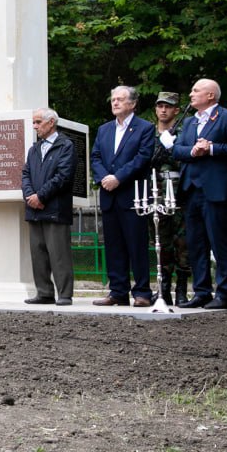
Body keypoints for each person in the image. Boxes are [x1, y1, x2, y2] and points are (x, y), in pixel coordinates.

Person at [173, 78, 227, 310]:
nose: (191, 94)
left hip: (216, 190)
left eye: (196, 90)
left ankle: (224, 294)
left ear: (211, 96)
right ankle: (201, 291)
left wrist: (212, 148)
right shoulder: (188, 122)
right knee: (195, 244)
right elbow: (177, 149)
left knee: (219, 243)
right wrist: (194, 151)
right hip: (191, 190)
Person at [89, 85, 155, 306]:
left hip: (132, 195)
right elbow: (95, 157)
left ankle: (142, 293)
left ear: (133, 103)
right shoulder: (104, 129)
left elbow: (142, 157)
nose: (114, 103)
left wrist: (118, 177)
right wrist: (103, 178)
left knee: (136, 245)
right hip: (109, 196)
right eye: (113, 99)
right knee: (114, 246)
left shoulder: (145, 128)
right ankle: (117, 291)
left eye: (120, 99)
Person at [21, 108, 76, 306]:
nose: (35, 126)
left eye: (38, 122)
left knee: (59, 253)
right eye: (34, 122)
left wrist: (41, 196)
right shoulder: (34, 149)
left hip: (55, 208)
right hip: (34, 209)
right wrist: (30, 196)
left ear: (51, 122)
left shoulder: (66, 146)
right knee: (38, 253)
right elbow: (26, 174)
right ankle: (44, 292)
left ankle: (64, 294)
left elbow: (63, 176)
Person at [150, 92, 190, 304]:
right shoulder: (148, 134)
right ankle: (163, 290)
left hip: (178, 192)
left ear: (176, 110)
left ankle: (182, 290)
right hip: (155, 192)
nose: (163, 110)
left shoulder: (183, 133)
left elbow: (187, 162)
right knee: (160, 242)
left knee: (183, 243)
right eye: (160, 106)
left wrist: (172, 147)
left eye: (169, 106)